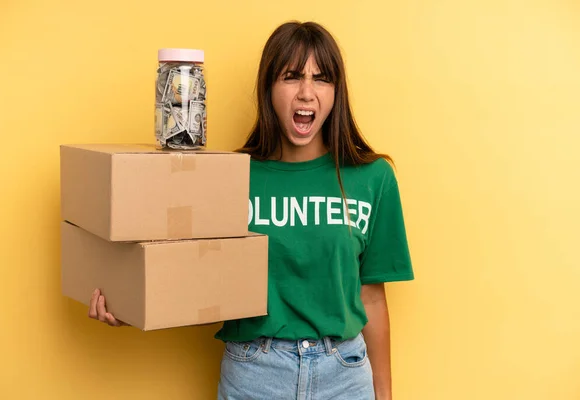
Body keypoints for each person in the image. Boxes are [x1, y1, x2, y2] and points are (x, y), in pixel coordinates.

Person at [89, 21, 414, 400]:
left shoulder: (372, 179)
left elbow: (371, 296)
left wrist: (385, 395)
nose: (306, 93)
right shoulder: (228, 177)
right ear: (269, 88)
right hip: (255, 374)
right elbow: (192, 279)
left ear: (336, 91)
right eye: (291, 77)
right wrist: (129, 304)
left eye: (321, 79)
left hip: (344, 375)